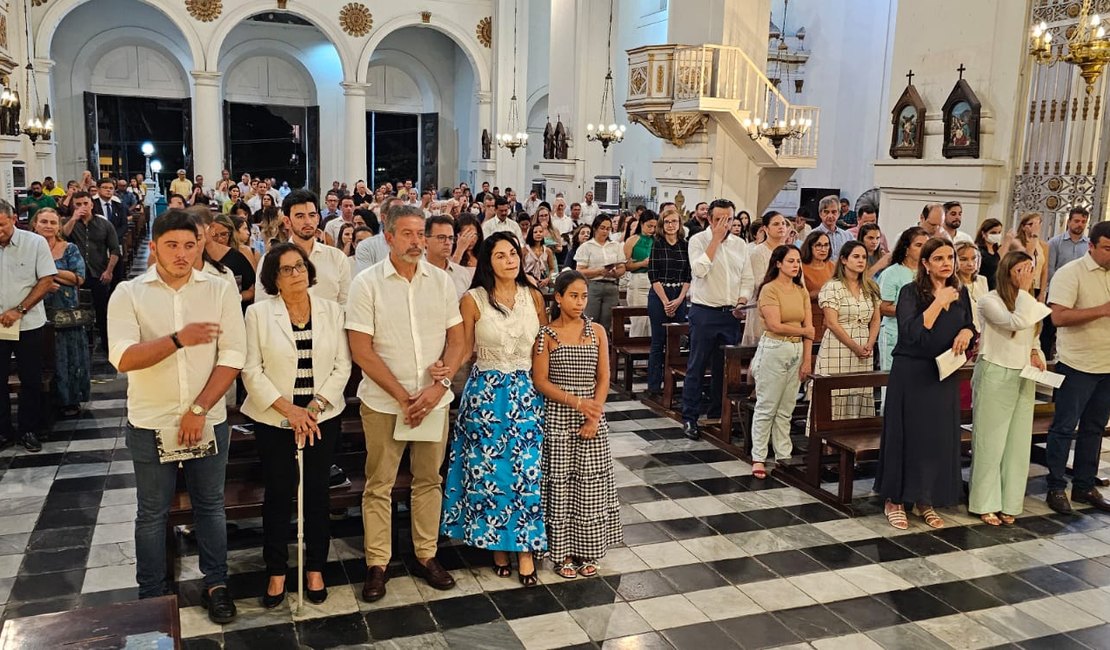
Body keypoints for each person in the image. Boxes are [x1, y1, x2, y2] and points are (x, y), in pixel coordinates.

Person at [107, 209, 245, 622]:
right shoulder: (129, 294)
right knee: (152, 512)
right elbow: (123, 358)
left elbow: (234, 355)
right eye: (172, 245)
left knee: (209, 506)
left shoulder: (219, 291)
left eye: (189, 245)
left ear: (200, 245)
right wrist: (178, 339)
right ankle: (152, 594)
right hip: (152, 419)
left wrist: (200, 408)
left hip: (207, 417)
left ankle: (216, 584)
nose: (182, 254)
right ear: (154, 247)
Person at [346, 205, 468, 602]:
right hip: (384, 402)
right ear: (388, 237)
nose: (417, 242)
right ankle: (377, 562)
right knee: (379, 484)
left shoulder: (441, 282)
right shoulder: (366, 284)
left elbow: (457, 341)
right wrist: (403, 396)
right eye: (408, 234)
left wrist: (438, 387)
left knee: (428, 480)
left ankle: (425, 554)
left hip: (433, 401)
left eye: (421, 234)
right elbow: (361, 349)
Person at [242, 243, 351, 608]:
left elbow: (342, 365)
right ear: (274, 277)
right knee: (277, 493)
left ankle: (315, 567)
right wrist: (288, 409)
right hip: (275, 419)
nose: (296, 274)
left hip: (321, 418)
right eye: (286, 269)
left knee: (317, 493)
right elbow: (251, 370)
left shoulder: (331, 311)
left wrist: (316, 405)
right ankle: (276, 570)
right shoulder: (258, 314)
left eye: (300, 266)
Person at [441, 233, 547, 584]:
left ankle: (526, 549)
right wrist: (440, 378)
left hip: (525, 394)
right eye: (500, 255)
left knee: (526, 474)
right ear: (488, 262)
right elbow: (462, 348)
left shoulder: (533, 297)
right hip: (486, 395)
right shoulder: (473, 300)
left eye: (513, 253)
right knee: (491, 476)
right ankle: (498, 546)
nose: (510, 260)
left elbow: (543, 348)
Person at [875, 238, 975, 530]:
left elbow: (968, 322)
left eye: (950, 257)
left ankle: (924, 499)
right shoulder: (911, 292)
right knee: (907, 436)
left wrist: (967, 333)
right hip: (912, 373)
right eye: (940, 258)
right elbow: (911, 333)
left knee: (935, 439)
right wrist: (937, 303)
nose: (947, 263)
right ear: (926, 264)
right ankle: (894, 500)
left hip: (942, 373)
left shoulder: (961, 291)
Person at [532, 271, 622, 578]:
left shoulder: (596, 331)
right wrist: (577, 403)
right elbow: (540, 380)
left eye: (584, 296)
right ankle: (563, 554)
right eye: (573, 295)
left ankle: (589, 550)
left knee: (590, 486)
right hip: (559, 418)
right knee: (561, 487)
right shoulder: (546, 335)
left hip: (592, 417)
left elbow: (604, 376)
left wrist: (593, 414)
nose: (580, 302)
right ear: (558, 297)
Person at [969, 250, 1049, 526]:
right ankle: (985, 501)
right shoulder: (989, 301)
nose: (1027, 275)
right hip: (996, 370)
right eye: (1021, 270)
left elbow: (1032, 331)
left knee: (1017, 442)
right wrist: (1027, 292)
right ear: (1007, 272)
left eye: (1030, 269)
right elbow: (1014, 323)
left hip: (1023, 373)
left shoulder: (1027, 301)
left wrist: (1036, 352)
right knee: (991, 441)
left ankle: (1010, 501)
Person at [1043, 220, 1110, 514]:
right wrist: (1102, 310)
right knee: (1064, 427)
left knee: (1094, 428)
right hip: (1077, 364)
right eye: (1108, 248)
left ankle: (1084, 485)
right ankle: (1056, 486)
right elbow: (1057, 317)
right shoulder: (1071, 273)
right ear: (1091, 246)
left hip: (1107, 364)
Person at [681, 199, 753, 440]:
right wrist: (714, 241)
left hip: (730, 313)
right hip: (704, 312)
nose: (727, 224)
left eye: (730, 219)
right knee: (697, 366)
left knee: (725, 369)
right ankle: (690, 417)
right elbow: (699, 271)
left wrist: (743, 301)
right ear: (710, 219)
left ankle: (718, 414)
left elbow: (747, 278)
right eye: (721, 219)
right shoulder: (697, 240)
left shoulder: (740, 244)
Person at [749, 245, 813, 479]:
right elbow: (775, 324)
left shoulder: (801, 290)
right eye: (791, 261)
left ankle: (782, 453)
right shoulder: (769, 289)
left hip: (796, 348)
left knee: (786, 407)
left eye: (798, 261)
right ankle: (758, 456)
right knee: (767, 405)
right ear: (778, 263)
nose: (796, 265)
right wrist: (804, 329)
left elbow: (810, 330)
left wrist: (807, 359)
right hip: (774, 347)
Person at [0, 200, 57, 452]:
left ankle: (28, 429)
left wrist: (19, 310)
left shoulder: (34, 243)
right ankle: (4, 431)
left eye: (1, 225)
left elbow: (46, 279)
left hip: (28, 323)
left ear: (13, 220)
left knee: (31, 378)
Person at [32, 208, 90, 418]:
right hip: (37, 309)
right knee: (46, 357)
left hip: (66, 310)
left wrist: (49, 275)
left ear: (58, 226)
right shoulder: (29, 248)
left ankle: (70, 399)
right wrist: (44, 284)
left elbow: (78, 277)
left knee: (70, 355)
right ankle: (47, 398)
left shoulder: (69, 248)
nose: (48, 226)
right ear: (35, 224)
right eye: (44, 222)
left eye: (53, 222)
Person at [814, 241, 881, 420]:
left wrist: (870, 343)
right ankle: (828, 444)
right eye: (856, 257)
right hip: (839, 346)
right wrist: (855, 347)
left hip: (864, 345)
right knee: (836, 394)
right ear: (844, 260)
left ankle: (855, 441)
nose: (861, 261)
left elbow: (875, 319)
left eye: (864, 257)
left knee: (859, 391)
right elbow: (832, 323)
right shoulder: (832, 286)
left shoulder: (870, 287)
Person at [256, 190, 350, 305]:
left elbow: (346, 305)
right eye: (300, 216)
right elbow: (263, 305)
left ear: (318, 218)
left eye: (312, 215)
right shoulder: (270, 260)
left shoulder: (337, 258)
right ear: (287, 221)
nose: (307, 222)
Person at [62, 191, 121, 355]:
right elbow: (62, 236)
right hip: (75, 274)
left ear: (91, 204)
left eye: (85, 204)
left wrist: (109, 271)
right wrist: (73, 218)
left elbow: (115, 249)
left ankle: (107, 344)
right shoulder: (69, 223)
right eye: (78, 204)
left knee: (102, 309)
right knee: (78, 309)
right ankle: (82, 344)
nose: (82, 207)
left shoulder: (104, 224)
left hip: (98, 271)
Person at [645, 208, 691, 398]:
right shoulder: (657, 244)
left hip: (679, 294)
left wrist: (679, 299)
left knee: (676, 341)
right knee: (658, 342)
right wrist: (665, 302)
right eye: (668, 222)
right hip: (659, 294)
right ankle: (654, 385)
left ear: (680, 224)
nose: (671, 226)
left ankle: (673, 383)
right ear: (662, 226)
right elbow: (653, 276)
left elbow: (689, 275)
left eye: (675, 222)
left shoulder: (685, 245)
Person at [878, 227, 929, 372]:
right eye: (919, 245)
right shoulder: (892, 273)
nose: (924, 249)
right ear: (906, 249)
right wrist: (913, 310)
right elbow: (883, 307)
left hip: (922, 336)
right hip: (895, 333)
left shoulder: (928, 273)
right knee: (891, 379)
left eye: (926, 246)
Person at [1042, 207, 1090, 359]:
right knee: (1049, 330)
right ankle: (1046, 360)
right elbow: (1050, 270)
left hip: (1081, 294)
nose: (1079, 225)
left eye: (1083, 222)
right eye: (1076, 221)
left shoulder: (1088, 245)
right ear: (1069, 222)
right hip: (1058, 294)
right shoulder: (1055, 243)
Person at [741, 211, 789, 346]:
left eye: (783, 224)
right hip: (763, 308)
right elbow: (758, 282)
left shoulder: (790, 251)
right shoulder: (758, 251)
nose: (781, 227)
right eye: (776, 224)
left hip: (786, 307)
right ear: (766, 229)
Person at [575, 214, 625, 332]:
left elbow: (622, 267)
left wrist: (615, 273)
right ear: (595, 228)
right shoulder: (587, 246)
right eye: (602, 228)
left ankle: (604, 346)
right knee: (591, 320)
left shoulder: (615, 246)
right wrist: (599, 270)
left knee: (607, 322)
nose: (605, 231)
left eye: (608, 229)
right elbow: (580, 271)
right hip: (593, 285)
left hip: (611, 285)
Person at [623, 210, 656, 337]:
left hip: (654, 281)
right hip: (638, 280)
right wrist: (642, 263)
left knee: (652, 321)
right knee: (639, 320)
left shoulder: (657, 240)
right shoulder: (632, 240)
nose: (652, 229)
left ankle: (649, 353)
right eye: (649, 226)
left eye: (654, 226)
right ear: (641, 224)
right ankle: (635, 353)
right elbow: (625, 265)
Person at [425, 215, 474, 300]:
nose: (447, 242)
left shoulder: (462, 274)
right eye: (441, 237)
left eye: (451, 238)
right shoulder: (413, 271)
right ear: (425, 241)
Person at [1016, 212, 1049, 302]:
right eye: (1031, 224)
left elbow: (1044, 270)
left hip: (1036, 286)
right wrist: (1033, 235)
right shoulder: (1017, 242)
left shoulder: (1043, 245)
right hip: (1021, 285)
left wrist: (1042, 292)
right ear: (1023, 227)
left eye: (1038, 223)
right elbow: (1027, 258)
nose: (1035, 227)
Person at [955, 242, 989, 332]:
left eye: (974, 258)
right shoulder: (952, 285)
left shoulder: (982, 280)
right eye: (963, 259)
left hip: (983, 332)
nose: (970, 264)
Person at [523, 222, 558, 291]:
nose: (538, 234)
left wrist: (547, 279)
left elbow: (552, 269)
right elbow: (520, 268)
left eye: (540, 232)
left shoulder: (548, 251)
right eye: (535, 232)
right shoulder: (524, 250)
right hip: (527, 281)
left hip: (542, 281)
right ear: (531, 234)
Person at [974, 218, 1006, 290]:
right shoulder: (979, 251)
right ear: (983, 234)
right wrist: (1007, 242)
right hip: (982, 288)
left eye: (999, 232)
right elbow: (992, 262)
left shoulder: (996, 249)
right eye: (993, 233)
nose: (997, 235)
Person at [800, 231, 833, 299]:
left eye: (826, 245)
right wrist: (820, 293)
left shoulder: (832, 266)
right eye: (818, 245)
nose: (823, 249)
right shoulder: (800, 268)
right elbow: (798, 297)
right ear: (809, 247)